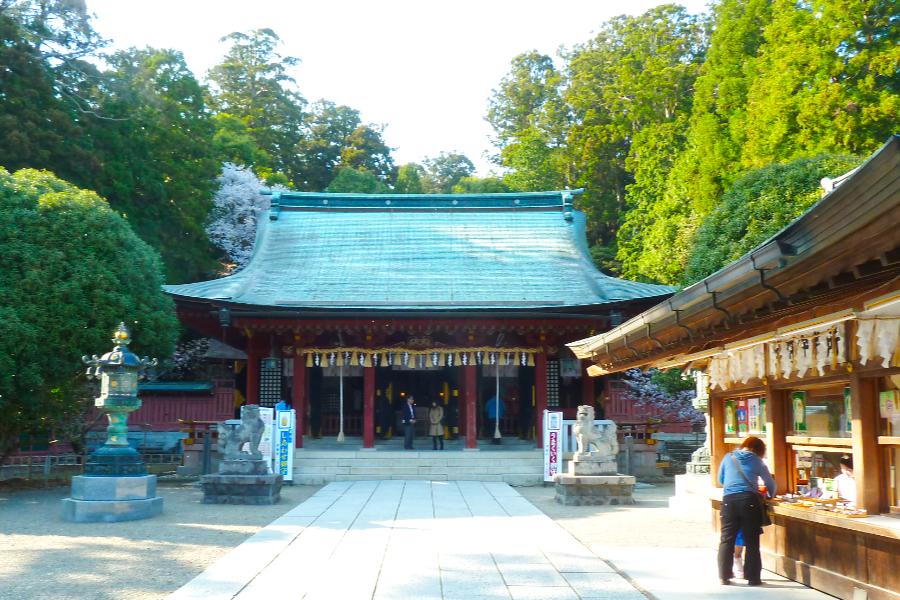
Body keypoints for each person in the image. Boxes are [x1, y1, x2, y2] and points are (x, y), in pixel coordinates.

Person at [717, 436, 776, 586]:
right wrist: (768, 496)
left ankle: (724, 576)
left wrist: (732, 485)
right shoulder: (757, 461)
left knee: (726, 539)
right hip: (749, 502)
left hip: (729, 501)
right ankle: (753, 578)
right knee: (752, 541)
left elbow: (721, 479)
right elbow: (771, 484)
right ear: (760, 450)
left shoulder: (728, 457)